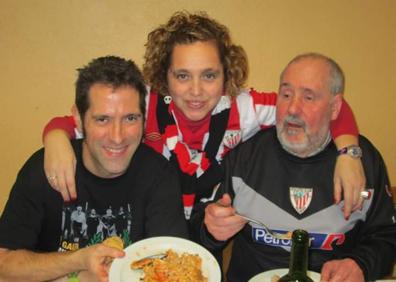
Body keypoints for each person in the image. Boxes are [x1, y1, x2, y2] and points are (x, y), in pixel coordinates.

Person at [42, 12, 365, 229]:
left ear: (227, 74)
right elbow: (80, 118)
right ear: (163, 76)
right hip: (147, 228)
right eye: (182, 76)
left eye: (209, 75)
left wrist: (349, 153)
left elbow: (318, 103)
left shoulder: (244, 106)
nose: (196, 91)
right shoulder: (144, 100)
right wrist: (55, 138)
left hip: (207, 233)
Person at [201, 53, 396, 282]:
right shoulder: (245, 155)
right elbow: (201, 233)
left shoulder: (362, 161)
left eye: (308, 97)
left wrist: (361, 265)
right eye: (285, 94)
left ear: (335, 108)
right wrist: (211, 231)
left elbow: (386, 236)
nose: (292, 108)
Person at [0, 56, 188, 281]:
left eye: (130, 118)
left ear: (144, 119)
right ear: (78, 119)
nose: (118, 137)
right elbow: (4, 264)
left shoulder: (158, 175)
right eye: (102, 120)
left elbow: (172, 267)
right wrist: (78, 262)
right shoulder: (44, 169)